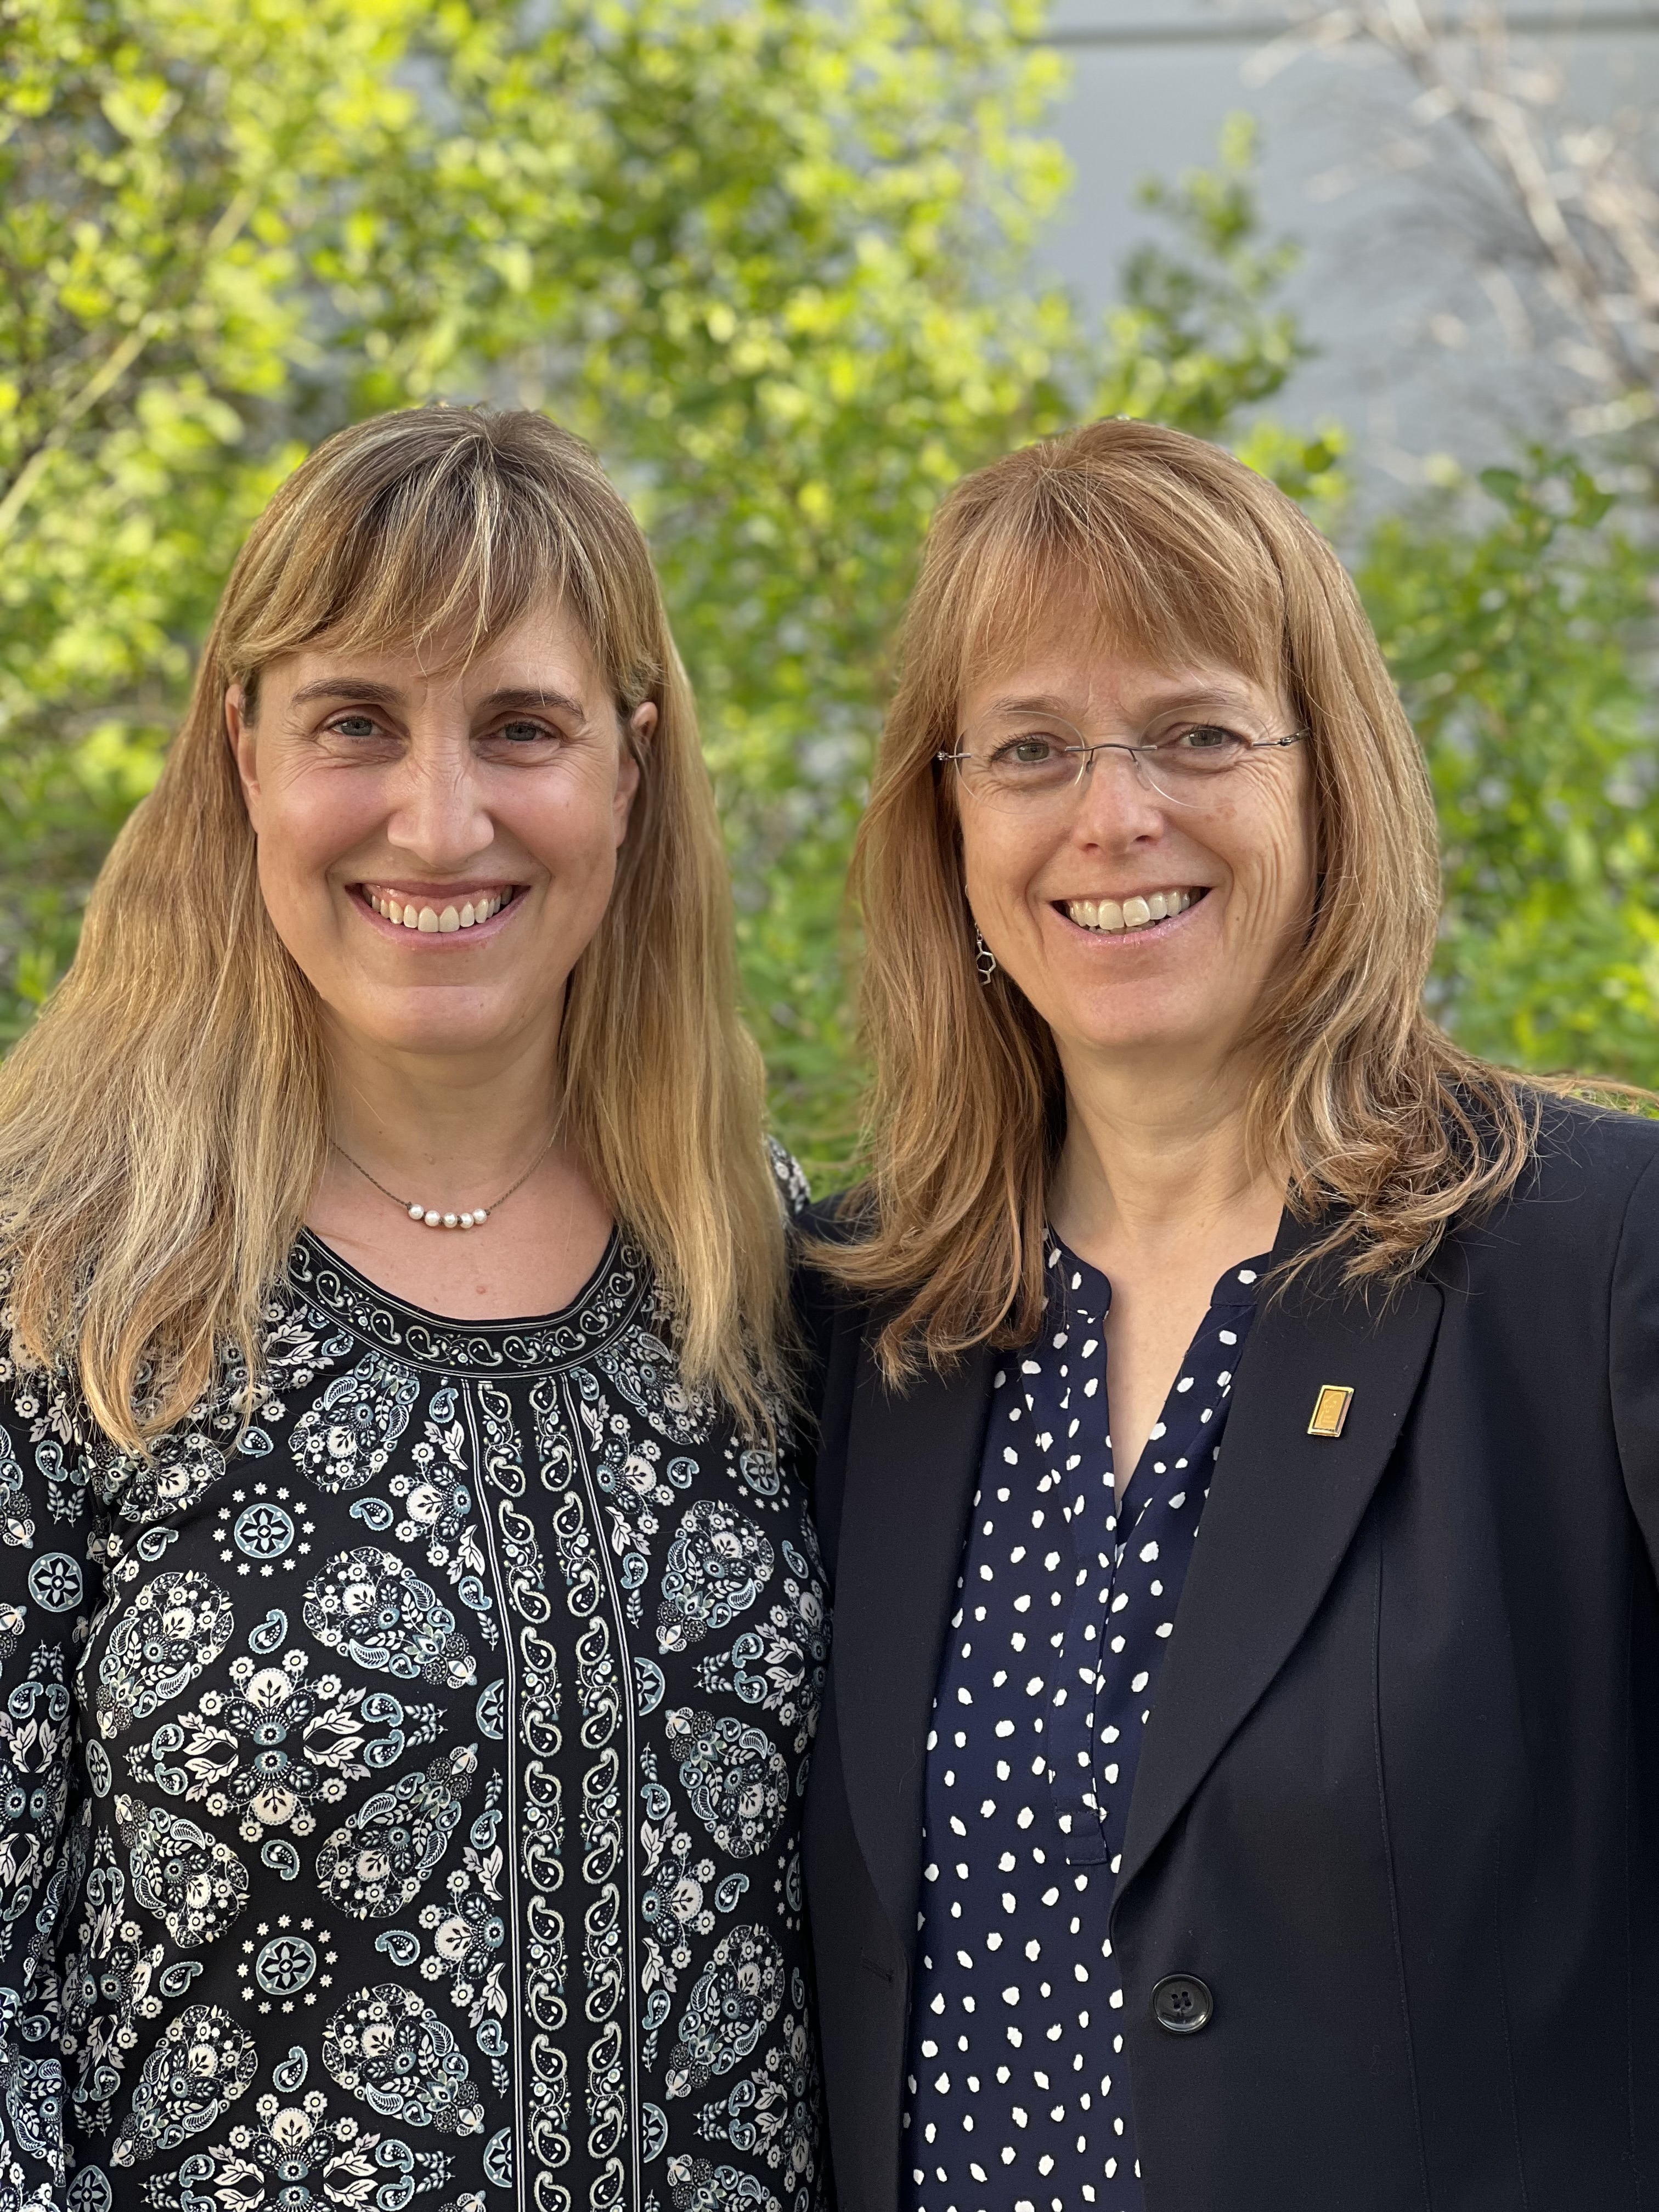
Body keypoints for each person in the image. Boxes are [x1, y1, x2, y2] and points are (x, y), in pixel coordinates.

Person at [795, 416, 1659, 2211]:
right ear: (947, 825)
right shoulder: (855, 1321)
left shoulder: (1592, 1261)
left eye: (1196, 734)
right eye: (1030, 749)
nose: (1116, 817)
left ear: (1326, 783)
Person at [0, 406, 827, 2211]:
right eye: (356, 722)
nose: (436, 819)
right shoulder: (64, 1291)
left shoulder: (761, 1275)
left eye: (520, 728)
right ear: (242, 752)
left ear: (632, 761)